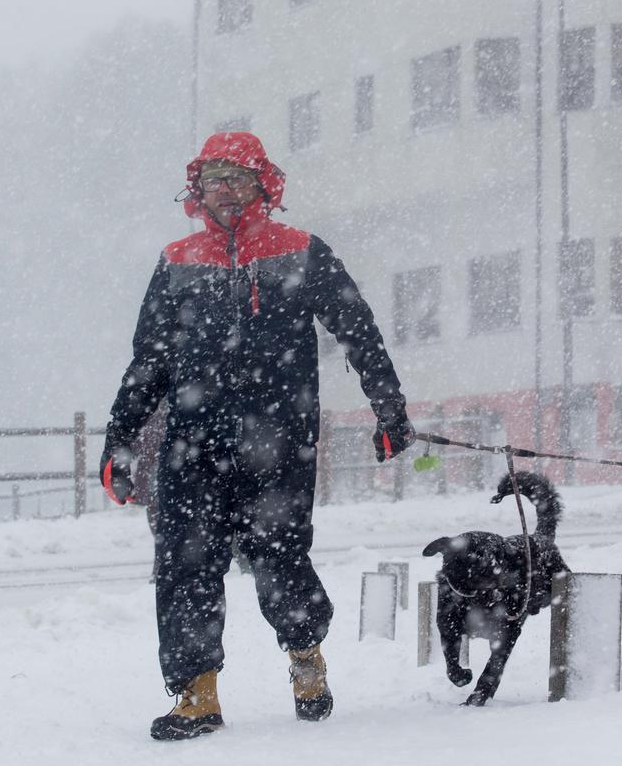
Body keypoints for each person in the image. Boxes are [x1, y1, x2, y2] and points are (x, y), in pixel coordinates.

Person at [100, 131, 415, 741]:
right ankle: (196, 694)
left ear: (263, 185)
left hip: (279, 440)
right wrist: (120, 441)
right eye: (213, 179)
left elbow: (359, 332)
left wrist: (390, 411)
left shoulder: (301, 251)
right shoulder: (178, 260)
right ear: (198, 187)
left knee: (280, 558)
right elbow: (149, 360)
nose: (224, 190)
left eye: (237, 178)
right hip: (192, 443)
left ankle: (304, 654)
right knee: (183, 563)